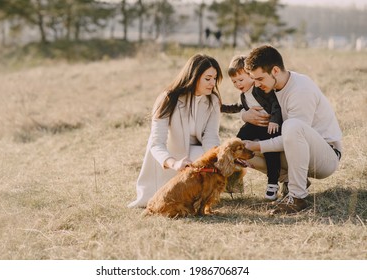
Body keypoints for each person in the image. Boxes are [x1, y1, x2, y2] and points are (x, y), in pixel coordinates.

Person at [242, 45, 342, 214]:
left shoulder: (300, 89)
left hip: (325, 157)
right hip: (298, 150)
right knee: (241, 151)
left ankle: (297, 197)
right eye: (254, 80)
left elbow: (293, 135)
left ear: (275, 70)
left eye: (259, 79)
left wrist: (257, 146)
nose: (256, 85)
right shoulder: (270, 88)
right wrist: (244, 117)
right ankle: (292, 180)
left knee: (291, 126)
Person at [128, 54, 223, 208]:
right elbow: (156, 143)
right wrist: (174, 163)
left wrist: (218, 161)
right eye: (208, 78)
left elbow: (211, 137)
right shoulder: (168, 98)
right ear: (194, 77)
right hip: (169, 156)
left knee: (226, 156)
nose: (213, 83)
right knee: (165, 198)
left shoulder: (213, 101)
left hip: (196, 153)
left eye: (215, 78)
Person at [221, 55, 282, 200]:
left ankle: (272, 183)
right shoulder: (244, 95)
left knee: (270, 153)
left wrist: (274, 120)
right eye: (234, 81)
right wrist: (222, 107)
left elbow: (276, 103)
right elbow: (238, 107)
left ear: (251, 76)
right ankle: (234, 169)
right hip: (254, 125)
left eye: (240, 80)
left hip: (269, 127)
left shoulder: (260, 89)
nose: (237, 84)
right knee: (238, 141)